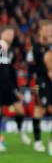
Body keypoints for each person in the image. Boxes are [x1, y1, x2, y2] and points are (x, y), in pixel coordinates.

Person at [31, 20, 52, 155]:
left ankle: (50, 142)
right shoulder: (37, 47)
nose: (49, 31)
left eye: (50, 29)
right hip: (41, 81)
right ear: (40, 31)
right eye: (46, 29)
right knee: (39, 110)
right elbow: (47, 61)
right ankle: (38, 141)